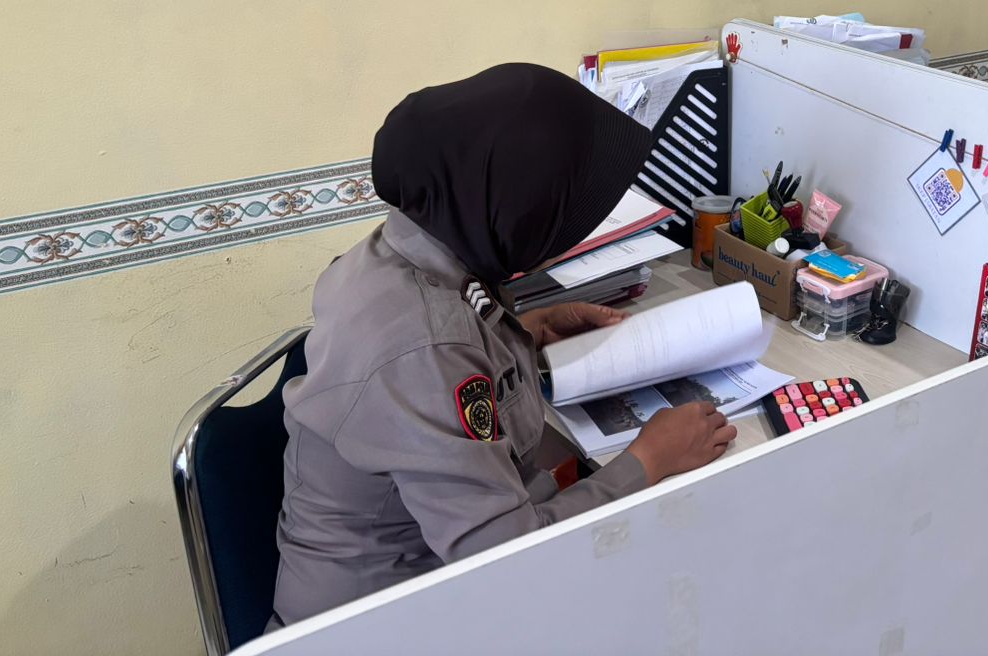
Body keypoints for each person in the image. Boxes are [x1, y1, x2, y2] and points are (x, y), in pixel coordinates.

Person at [267, 64, 737, 628]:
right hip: (380, 620)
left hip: (421, 567)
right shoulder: (421, 345)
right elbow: (508, 560)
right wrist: (649, 459)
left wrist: (527, 331)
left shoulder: (404, 248)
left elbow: (443, 349)